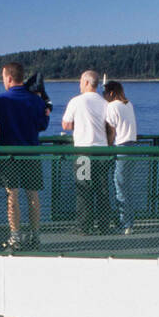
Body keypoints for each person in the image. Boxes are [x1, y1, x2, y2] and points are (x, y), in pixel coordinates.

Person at [0, 61, 51, 250]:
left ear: (8, 78)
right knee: (33, 196)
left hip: (9, 156)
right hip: (31, 154)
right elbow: (43, 125)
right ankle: (35, 235)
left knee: (11, 197)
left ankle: (15, 236)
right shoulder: (36, 101)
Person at [62, 70, 113, 233]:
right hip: (102, 150)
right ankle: (104, 225)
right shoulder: (105, 103)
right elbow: (110, 126)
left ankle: (84, 226)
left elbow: (66, 125)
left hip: (83, 150)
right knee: (102, 189)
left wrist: (80, 125)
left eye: (80, 82)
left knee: (83, 188)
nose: (79, 85)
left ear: (86, 83)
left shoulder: (76, 102)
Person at [104, 80, 138, 233]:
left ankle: (125, 223)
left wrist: (108, 146)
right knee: (128, 186)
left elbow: (111, 131)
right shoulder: (128, 104)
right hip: (133, 147)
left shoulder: (112, 106)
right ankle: (129, 220)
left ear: (111, 93)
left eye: (105, 93)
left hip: (121, 147)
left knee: (120, 186)